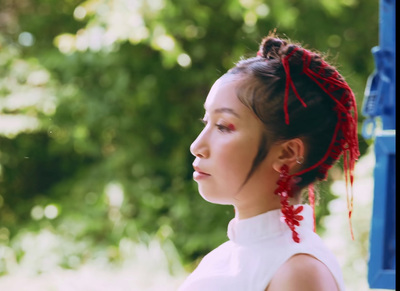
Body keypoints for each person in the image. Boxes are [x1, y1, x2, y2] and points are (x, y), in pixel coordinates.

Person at [178, 31, 359, 291]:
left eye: (223, 127)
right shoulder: (223, 258)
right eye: (205, 123)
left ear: (287, 153)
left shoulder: (298, 272)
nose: (197, 146)